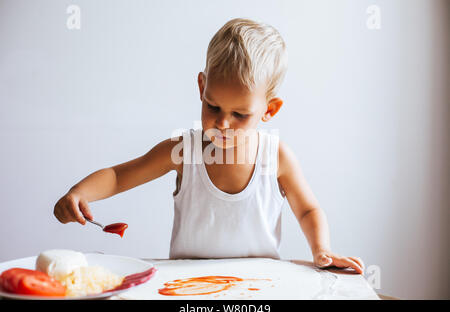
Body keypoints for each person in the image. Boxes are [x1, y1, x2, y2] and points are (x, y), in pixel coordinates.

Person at [54, 18, 364, 274]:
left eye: (240, 115)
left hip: (261, 286)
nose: (222, 123)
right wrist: (79, 193)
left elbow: (308, 209)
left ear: (269, 110)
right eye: (213, 107)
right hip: (186, 285)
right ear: (202, 87)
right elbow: (120, 175)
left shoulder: (277, 156)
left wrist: (321, 250)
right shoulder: (183, 150)